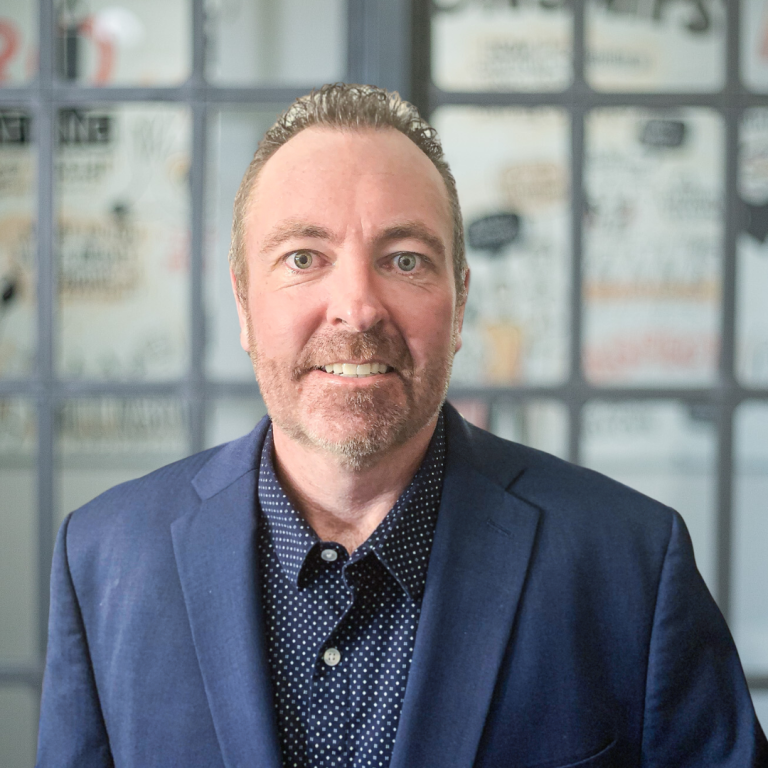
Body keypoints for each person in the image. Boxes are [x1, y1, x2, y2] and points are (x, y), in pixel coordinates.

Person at [37, 83, 767, 768]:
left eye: (405, 259)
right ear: (243, 303)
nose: (357, 307)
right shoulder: (104, 558)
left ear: (460, 302)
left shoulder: (631, 564)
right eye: (303, 257)